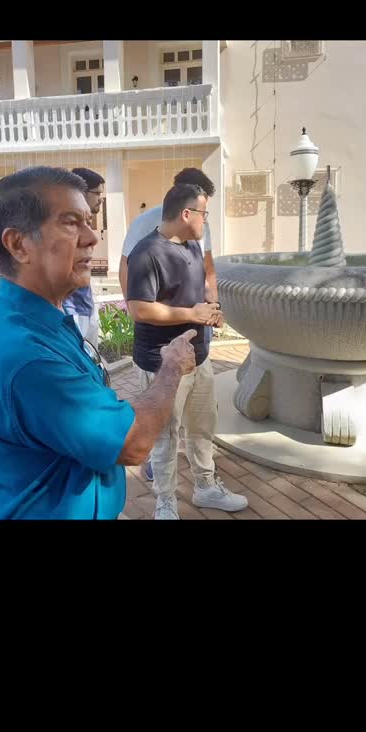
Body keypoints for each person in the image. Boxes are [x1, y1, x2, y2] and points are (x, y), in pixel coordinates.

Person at [0, 167, 197, 520]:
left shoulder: (36, 320)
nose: (92, 238)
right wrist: (171, 368)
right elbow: (132, 443)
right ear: (18, 244)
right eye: (71, 222)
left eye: (90, 221)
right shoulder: (27, 356)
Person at [127, 182, 249, 520]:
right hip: (162, 364)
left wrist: (212, 308)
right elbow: (138, 309)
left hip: (200, 358)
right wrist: (190, 315)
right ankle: (165, 501)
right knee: (166, 435)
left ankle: (205, 486)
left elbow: (196, 291)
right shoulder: (146, 252)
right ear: (186, 214)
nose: (205, 221)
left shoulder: (192, 246)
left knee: (202, 426)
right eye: (204, 214)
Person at [119, 167, 217, 302]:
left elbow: (208, 267)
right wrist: (132, 307)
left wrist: (214, 305)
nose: (203, 217)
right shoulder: (144, 223)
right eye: (201, 208)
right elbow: (125, 265)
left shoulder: (201, 225)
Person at [62, 167, 105, 347]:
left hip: (84, 306)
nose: (92, 239)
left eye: (87, 223)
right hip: (71, 312)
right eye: (97, 193)